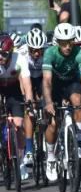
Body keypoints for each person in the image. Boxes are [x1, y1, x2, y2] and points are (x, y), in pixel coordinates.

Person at [42, 23, 81, 182]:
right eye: (63, 43)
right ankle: (50, 158)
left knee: (78, 101)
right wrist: (48, 101)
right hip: (54, 86)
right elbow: (47, 80)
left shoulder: (79, 53)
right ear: (57, 42)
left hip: (71, 85)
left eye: (70, 42)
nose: (68, 46)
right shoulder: (50, 53)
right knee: (53, 124)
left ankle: (80, 141)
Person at [0, 35, 34, 180]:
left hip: (14, 91)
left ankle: (20, 160)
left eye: (4, 54)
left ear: (10, 52)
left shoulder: (19, 59)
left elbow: (27, 84)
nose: (1, 57)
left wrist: (30, 101)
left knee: (19, 124)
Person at [19, 28, 47, 168]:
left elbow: (50, 78)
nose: (36, 54)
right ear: (28, 48)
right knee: (30, 109)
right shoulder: (22, 53)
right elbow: (22, 79)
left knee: (48, 105)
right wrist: (25, 96)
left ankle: (46, 143)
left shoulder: (49, 51)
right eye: (33, 50)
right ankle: (29, 149)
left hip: (43, 78)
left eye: (39, 50)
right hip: (27, 77)